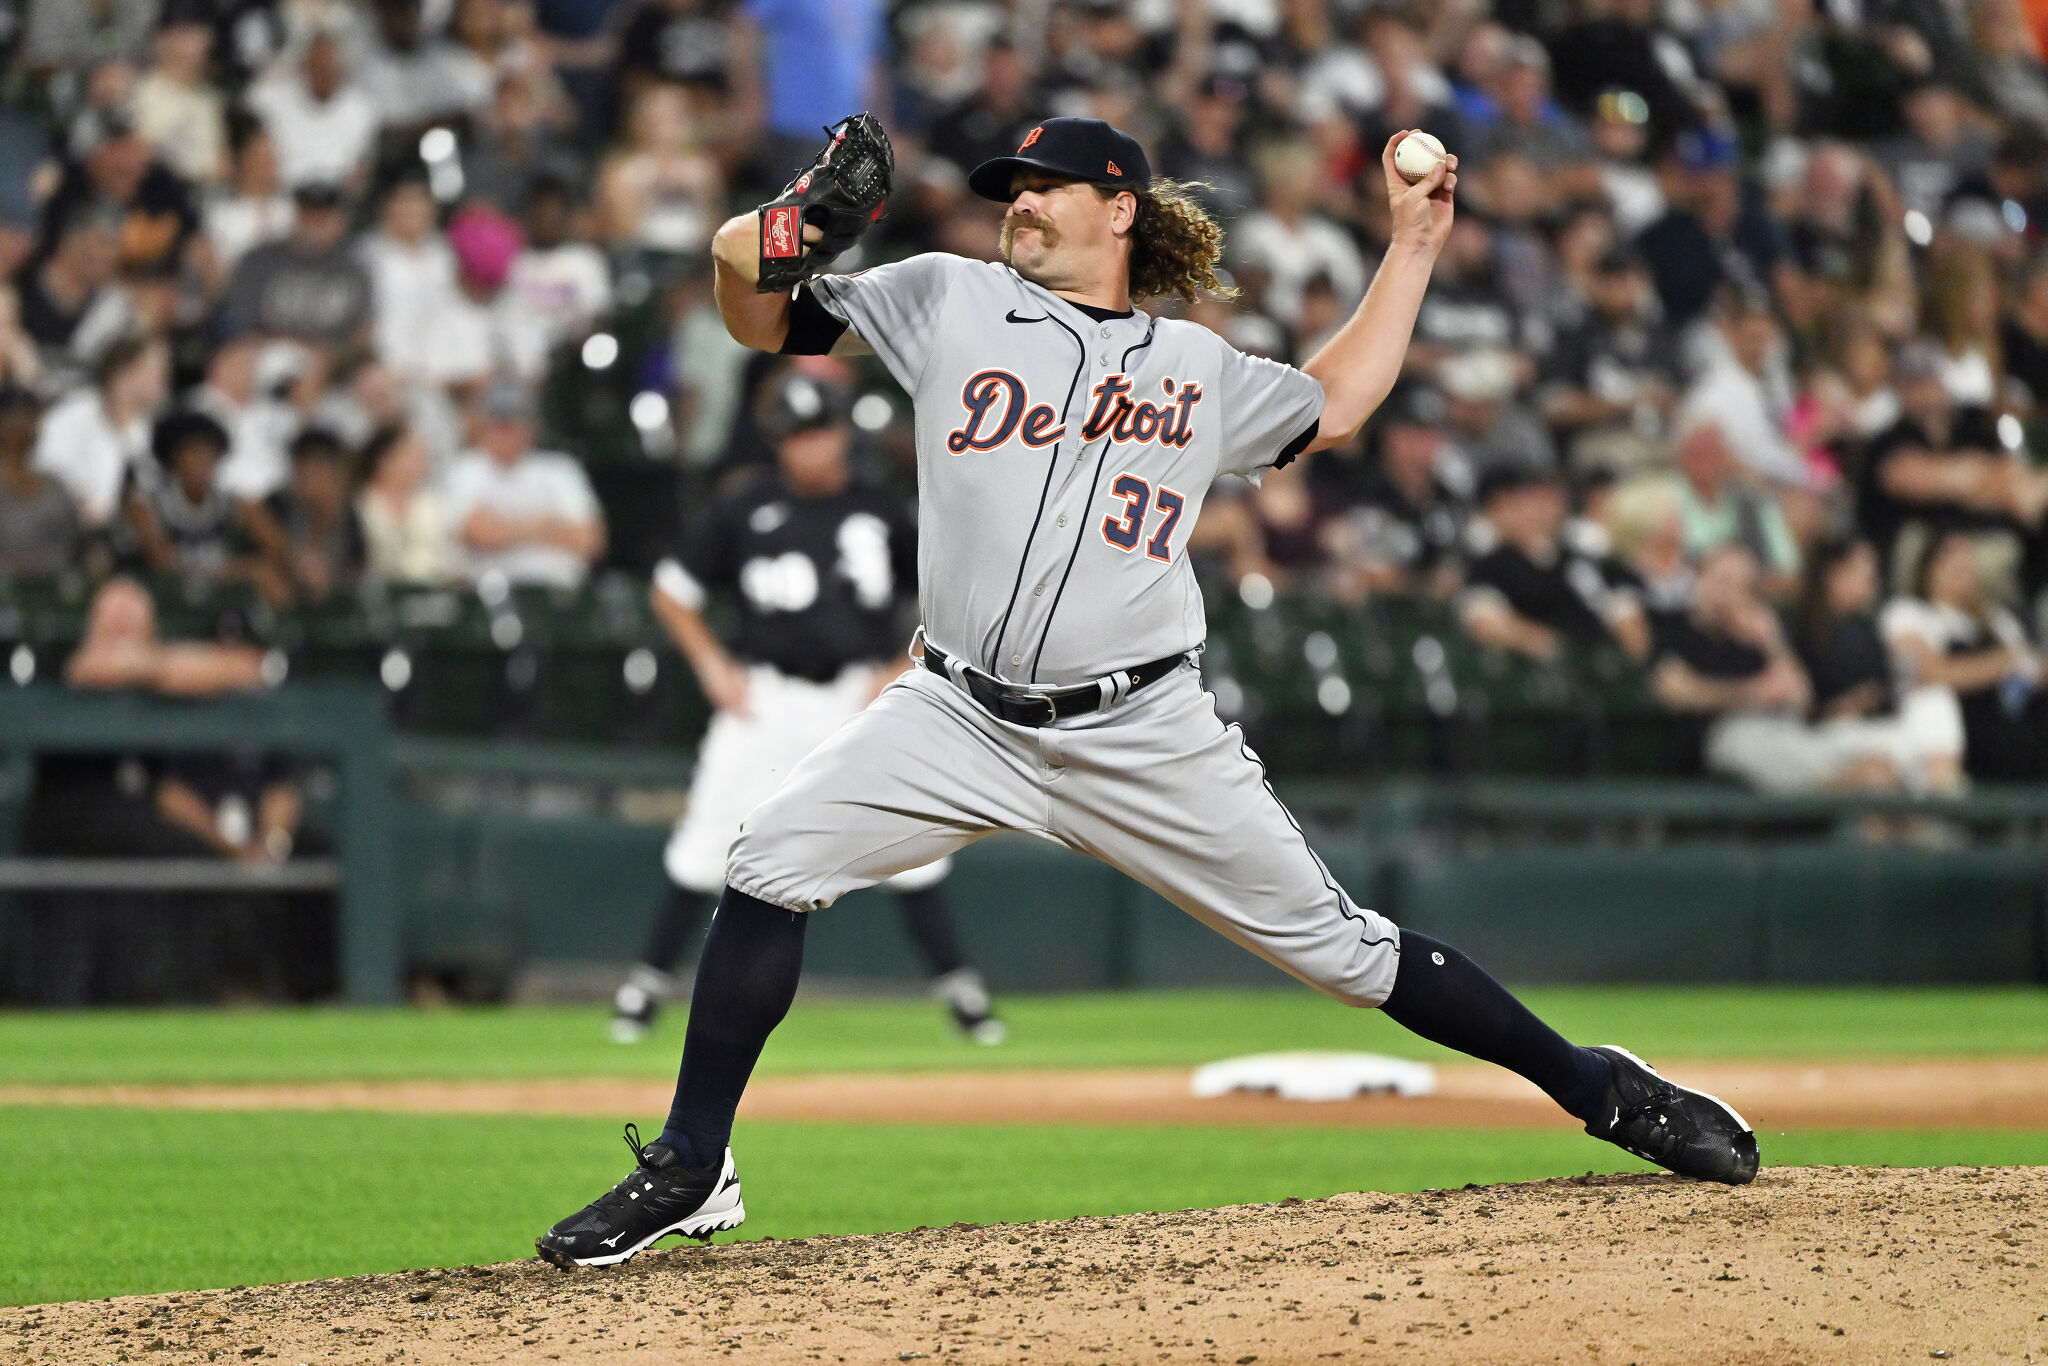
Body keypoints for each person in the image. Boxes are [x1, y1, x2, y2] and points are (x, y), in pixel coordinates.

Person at [536, 117, 1757, 1271]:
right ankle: (696, 1162)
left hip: (1140, 725)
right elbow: (751, 307)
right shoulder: (945, 296)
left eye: (1039, 188)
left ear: (1116, 207)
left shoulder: (1193, 365)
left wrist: (1415, 244)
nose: (1014, 206)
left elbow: (1336, 404)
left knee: (1341, 948)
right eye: (1004, 192)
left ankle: (1599, 1089)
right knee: (766, 863)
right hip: (954, 711)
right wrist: (797, 221)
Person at [611, 370, 1005, 1047]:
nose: (810, 448)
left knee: (914, 846)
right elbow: (672, 591)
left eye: (820, 430)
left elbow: (950, 602)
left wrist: (897, 666)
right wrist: (711, 664)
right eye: (795, 435)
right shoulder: (744, 508)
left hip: (857, 697)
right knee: (707, 842)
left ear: (843, 432)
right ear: (776, 443)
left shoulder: (881, 509)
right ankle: (643, 988)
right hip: (767, 699)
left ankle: (962, 992)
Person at [444, 377, 605, 589]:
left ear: (531, 426)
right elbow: (479, 535)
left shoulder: (560, 469)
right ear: (483, 427)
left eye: (514, 425)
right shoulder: (466, 468)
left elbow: (590, 541)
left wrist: (507, 527)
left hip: (560, 593)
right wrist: (547, 526)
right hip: (491, 594)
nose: (506, 435)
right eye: (499, 425)